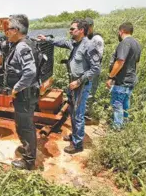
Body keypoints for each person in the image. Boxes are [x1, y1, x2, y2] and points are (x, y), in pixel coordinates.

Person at [37, 19, 101, 154]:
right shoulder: (74, 43)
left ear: (81, 30)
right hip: (73, 84)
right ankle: (75, 135)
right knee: (72, 112)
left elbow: (95, 68)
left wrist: (78, 81)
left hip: (81, 85)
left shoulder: (89, 46)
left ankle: (78, 145)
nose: (70, 31)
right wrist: (46, 39)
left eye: (73, 29)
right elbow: (61, 42)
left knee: (78, 114)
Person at [5, 14, 39, 170]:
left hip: (24, 95)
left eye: (8, 29)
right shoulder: (25, 43)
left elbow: (30, 72)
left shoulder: (22, 46)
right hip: (27, 94)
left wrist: (16, 88)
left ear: (16, 30)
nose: (6, 32)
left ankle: (28, 161)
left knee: (25, 127)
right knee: (24, 124)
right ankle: (27, 149)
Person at [106, 22, 141, 130]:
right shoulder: (136, 43)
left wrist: (111, 77)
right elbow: (136, 63)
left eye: (118, 31)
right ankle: (125, 127)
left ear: (121, 31)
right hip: (131, 80)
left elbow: (120, 61)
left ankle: (117, 128)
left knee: (117, 105)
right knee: (125, 104)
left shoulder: (124, 43)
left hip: (122, 81)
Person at [85, 17, 104, 100]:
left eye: (89, 26)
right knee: (85, 92)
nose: (87, 28)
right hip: (85, 71)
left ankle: (88, 109)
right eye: (85, 26)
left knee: (90, 92)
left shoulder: (96, 38)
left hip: (93, 70)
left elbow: (99, 56)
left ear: (92, 26)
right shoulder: (84, 37)